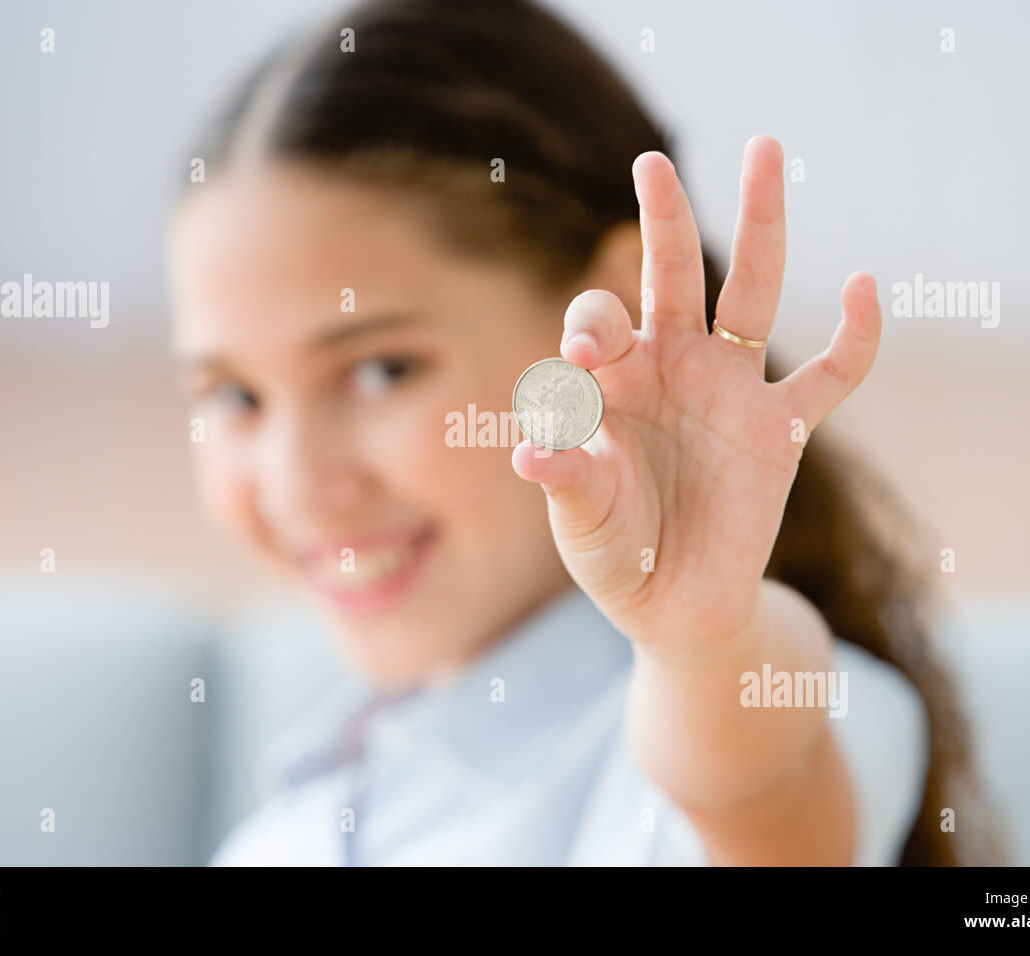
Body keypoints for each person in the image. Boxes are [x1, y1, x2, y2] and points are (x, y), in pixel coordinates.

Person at [166, 0, 984, 865]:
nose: (297, 483)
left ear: (612, 305)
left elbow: (759, 800)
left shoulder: (758, 716)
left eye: (381, 371)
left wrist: (703, 645)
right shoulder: (289, 830)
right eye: (234, 397)